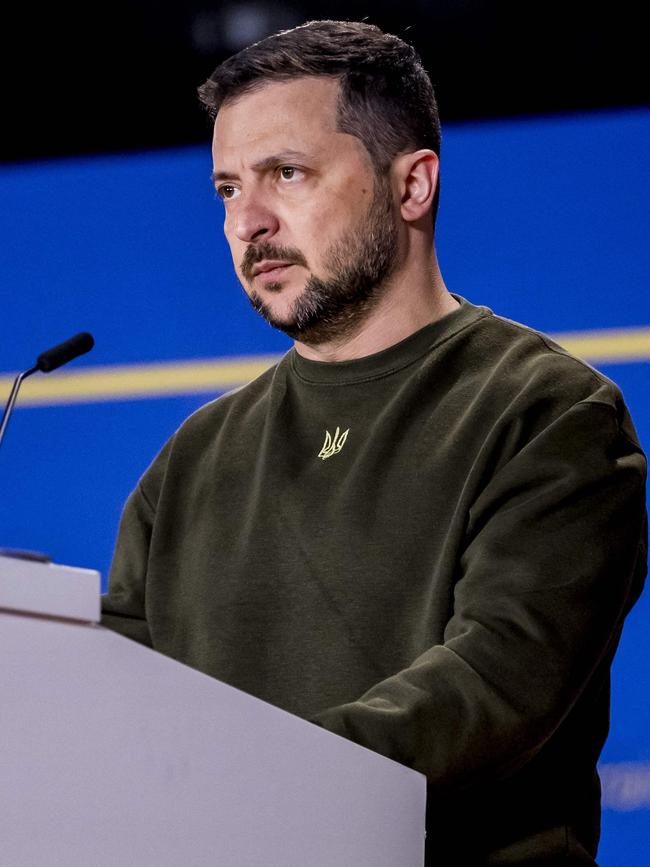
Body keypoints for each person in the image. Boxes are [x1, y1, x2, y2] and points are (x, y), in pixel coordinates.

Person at [101, 20, 647, 864]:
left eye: (287, 174)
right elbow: (111, 707)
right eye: (226, 190)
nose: (248, 221)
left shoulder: (551, 414)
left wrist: (249, 788)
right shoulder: (191, 459)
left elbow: (496, 684)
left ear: (414, 185)